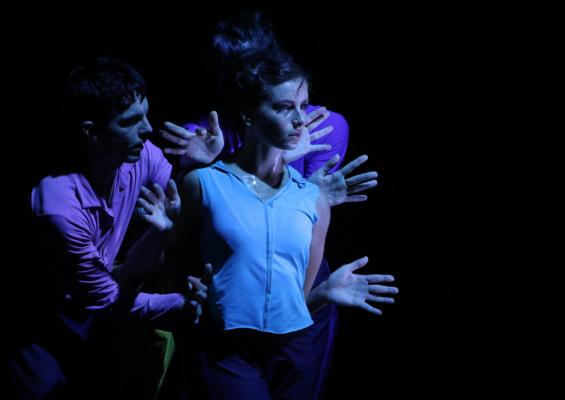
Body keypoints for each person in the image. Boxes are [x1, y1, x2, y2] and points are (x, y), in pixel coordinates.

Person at [173, 25, 397, 399]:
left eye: (302, 105)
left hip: (293, 304)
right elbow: (182, 256)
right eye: (283, 107)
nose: (299, 118)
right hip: (229, 317)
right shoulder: (205, 152)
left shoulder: (322, 133)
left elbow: (298, 289)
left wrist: (324, 293)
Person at [2, 57, 220, 399]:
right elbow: (106, 301)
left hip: (97, 311)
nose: (147, 129)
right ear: (91, 132)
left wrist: (197, 169)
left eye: (145, 114)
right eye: (130, 121)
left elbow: (179, 198)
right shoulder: (60, 205)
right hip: (43, 321)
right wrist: (182, 303)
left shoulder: (141, 156)